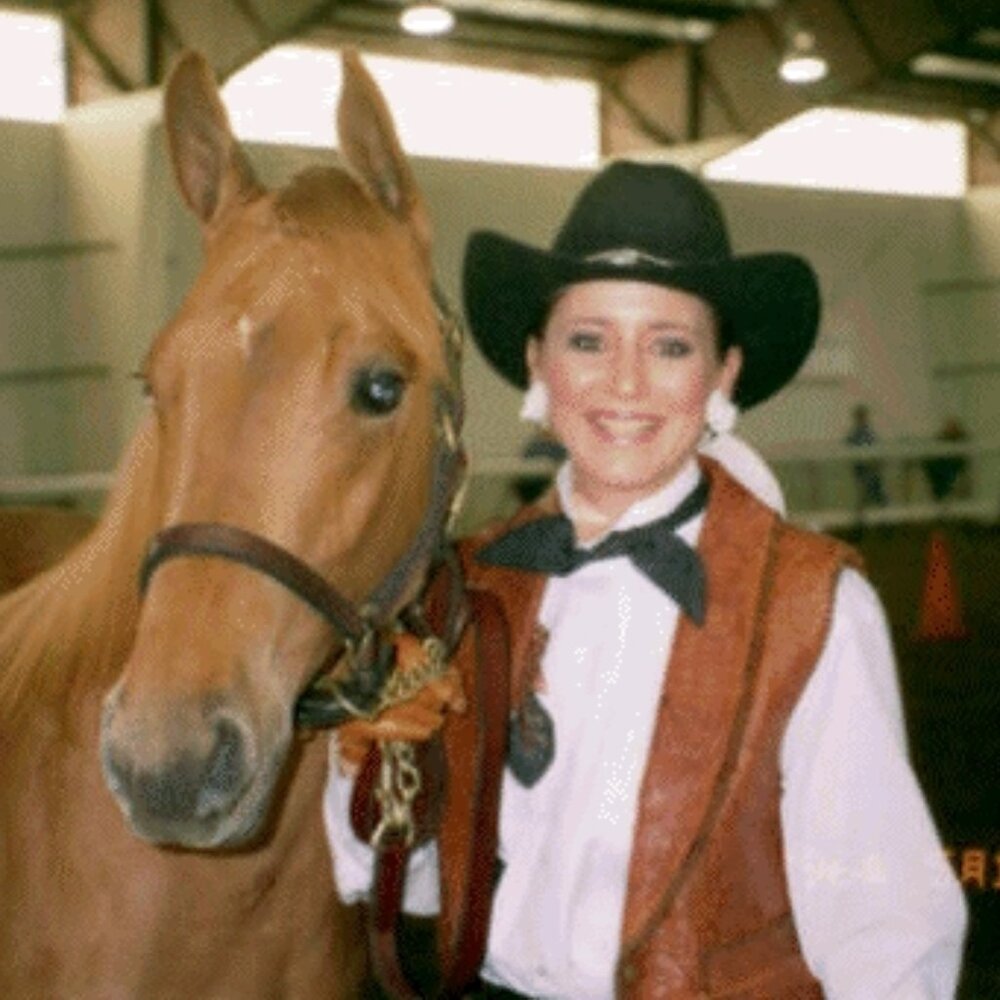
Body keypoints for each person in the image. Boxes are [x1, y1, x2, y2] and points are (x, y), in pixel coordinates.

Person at [324, 162, 967, 998]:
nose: (625, 382)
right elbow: (412, 887)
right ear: (536, 363)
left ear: (722, 376)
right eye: (588, 340)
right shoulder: (468, 588)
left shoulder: (816, 609)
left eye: (670, 346)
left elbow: (885, 932)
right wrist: (370, 773)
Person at [845, 403, 888, 508]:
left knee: (877, 494)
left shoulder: (870, 433)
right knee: (864, 495)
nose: (862, 419)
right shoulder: (853, 435)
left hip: (873, 469)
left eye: (863, 416)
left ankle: (884, 515)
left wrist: (878, 463)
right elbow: (848, 450)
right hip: (862, 469)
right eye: (860, 416)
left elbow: (878, 449)